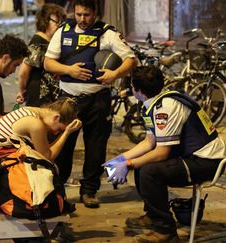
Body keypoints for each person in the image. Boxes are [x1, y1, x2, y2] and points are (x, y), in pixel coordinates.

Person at [103, 66, 226, 242]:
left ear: (136, 90)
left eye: (131, 85)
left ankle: (165, 231)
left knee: (149, 171)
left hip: (208, 162)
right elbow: (149, 142)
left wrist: (129, 164)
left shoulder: (165, 108)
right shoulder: (153, 103)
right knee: (142, 165)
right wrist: (122, 158)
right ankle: (153, 217)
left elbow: (161, 153)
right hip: (194, 156)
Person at [44, 0, 137, 208]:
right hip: (67, 100)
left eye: (86, 15)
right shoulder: (64, 30)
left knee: (96, 147)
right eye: (78, 15)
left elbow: (131, 59)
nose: (82, 20)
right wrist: (69, 71)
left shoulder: (108, 33)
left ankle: (89, 191)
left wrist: (115, 73)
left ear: (95, 13)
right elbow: (48, 62)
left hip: (98, 100)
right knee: (63, 147)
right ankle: (58, 192)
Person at [0, 98, 82, 162]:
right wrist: (66, 133)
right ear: (56, 118)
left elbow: (45, 150)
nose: (55, 132)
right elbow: (47, 157)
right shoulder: (35, 124)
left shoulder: (30, 110)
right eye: (59, 129)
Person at [16, 3, 66, 107]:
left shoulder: (52, 41)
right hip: (38, 97)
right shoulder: (38, 41)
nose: (59, 25)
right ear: (45, 20)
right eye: (56, 22)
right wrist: (23, 91)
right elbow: (24, 72)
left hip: (50, 97)